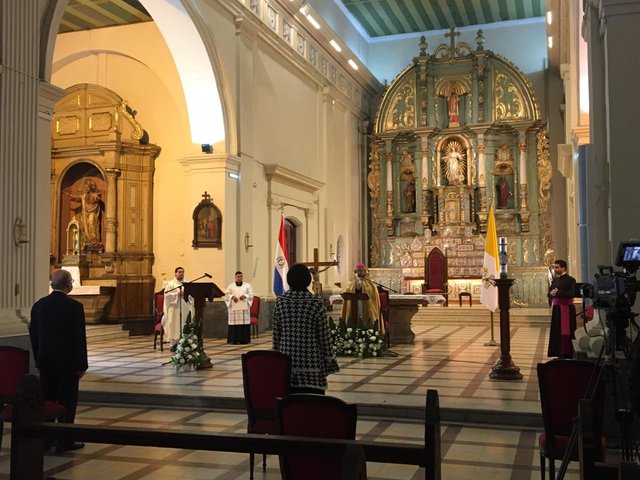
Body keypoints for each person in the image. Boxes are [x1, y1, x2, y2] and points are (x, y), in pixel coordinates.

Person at [29, 269, 88, 453]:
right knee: (67, 403)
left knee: (47, 400)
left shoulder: (39, 306)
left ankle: (46, 440)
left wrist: (39, 358)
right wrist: (82, 365)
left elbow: (34, 336)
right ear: (68, 284)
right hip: (68, 364)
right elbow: (79, 338)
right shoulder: (74, 307)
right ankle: (65, 441)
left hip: (46, 362)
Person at [272, 263, 339, 394]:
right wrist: (329, 359)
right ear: (308, 281)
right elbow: (324, 337)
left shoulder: (281, 302)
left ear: (289, 280)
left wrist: (276, 360)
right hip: (311, 363)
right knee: (312, 405)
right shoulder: (316, 303)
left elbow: (276, 335)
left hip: (287, 362)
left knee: (289, 406)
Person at [341, 262, 384, 333]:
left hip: (365, 303)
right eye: (358, 270)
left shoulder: (369, 279)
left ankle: (368, 332)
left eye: (361, 271)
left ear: (364, 270)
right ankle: (354, 332)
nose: (359, 272)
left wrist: (363, 287)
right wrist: (355, 287)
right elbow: (349, 289)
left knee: (365, 318)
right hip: (354, 303)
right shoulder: (352, 279)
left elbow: (372, 291)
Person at [547, 259, 577, 358]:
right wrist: (551, 294)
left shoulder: (571, 280)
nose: (555, 269)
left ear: (563, 268)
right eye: (554, 267)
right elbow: (550, 293)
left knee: (566, 331)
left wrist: (558, 292)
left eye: (557, 267)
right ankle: (557, 352)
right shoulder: (555, 280)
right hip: (556, 309)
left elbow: (572, 294)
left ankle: (567, 353)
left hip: (566, 309)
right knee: (556, 331)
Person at [163, 267, 195, 352]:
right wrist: (177, 294)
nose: (181, 273)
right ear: (175, 273)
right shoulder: (171, 284)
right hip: (174, 309)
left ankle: (184, 343)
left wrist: (186, 294)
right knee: (174, 325)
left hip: (184, 307)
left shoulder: (187, 283)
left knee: (183, 324)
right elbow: (167, 296)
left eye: (182, 272)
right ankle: (173, 344)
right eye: (179, 272)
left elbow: (191, 296)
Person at [68, 178, 104, 248]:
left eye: (87, 187)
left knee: (92, 224)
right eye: (85, 188)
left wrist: (96, 197)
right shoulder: (84, 196)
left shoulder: (95, 194)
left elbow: (98, 198)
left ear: (90, 187)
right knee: (85, 226)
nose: (86, 189)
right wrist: (72, 197)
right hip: (85, 213)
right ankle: (88, 240)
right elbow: (79, 198)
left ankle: (94, 240)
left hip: (93, 212)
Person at [224, 271, 253, 344]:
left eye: (241, 276)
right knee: (234, 324)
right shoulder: (230, 286)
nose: (239, 278)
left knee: (243, 324)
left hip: (244, 309)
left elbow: (251, 295)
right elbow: (226, 295)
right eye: (238, 276)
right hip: (234, 310)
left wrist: (245, 296)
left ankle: (244, 340)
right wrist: (232, 297)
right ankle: (233, 340)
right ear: (235, 277)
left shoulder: (247, 286)